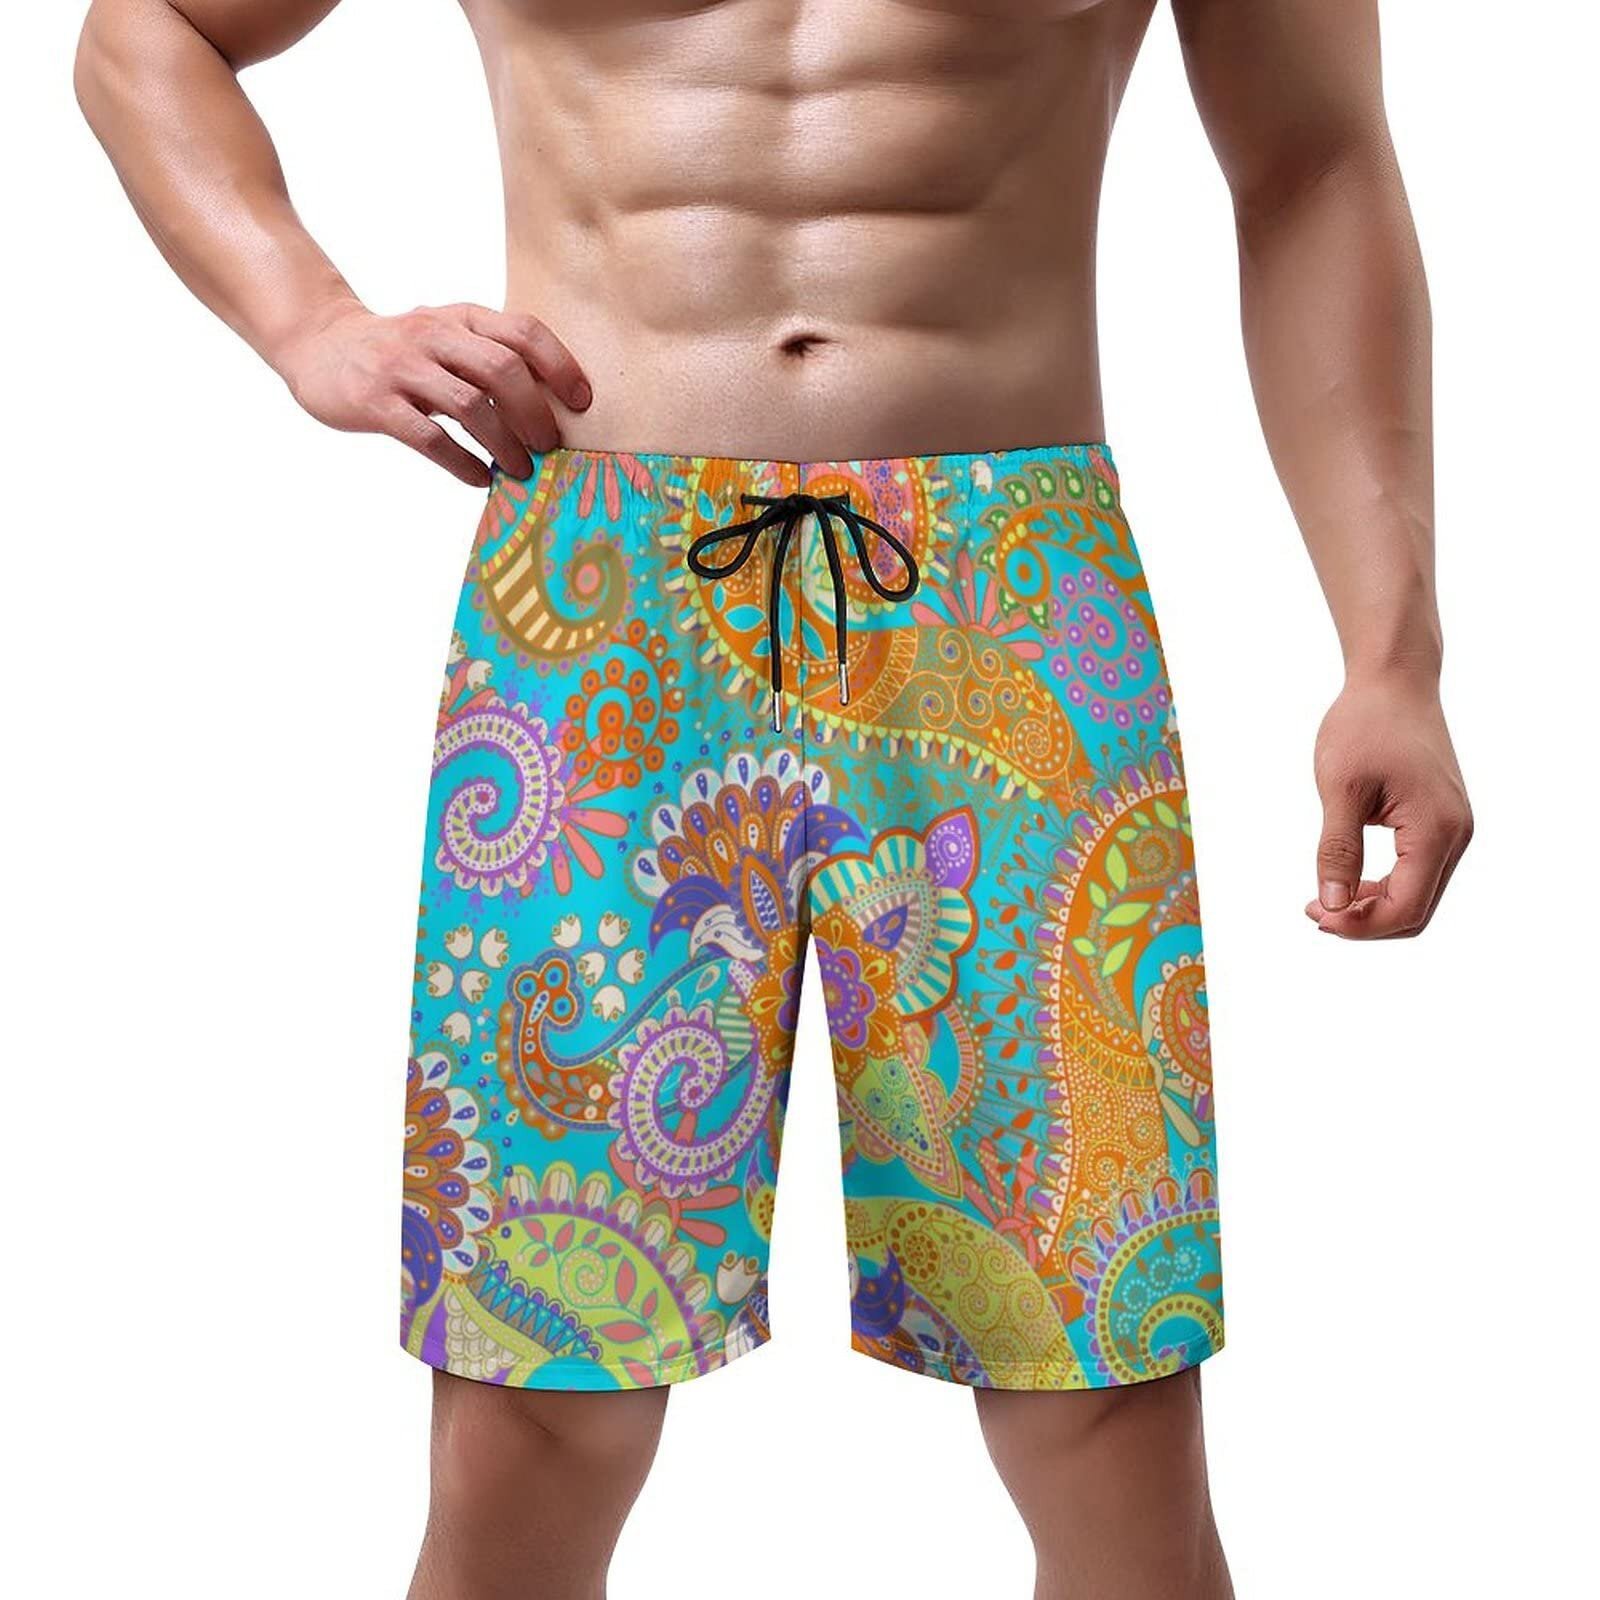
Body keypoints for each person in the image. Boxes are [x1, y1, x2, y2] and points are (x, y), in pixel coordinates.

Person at [75, 1, 1472, 1595]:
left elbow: (1314, 167)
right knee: (533, 1408)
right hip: (601, 613)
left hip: (1009, 601)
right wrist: (307, 319)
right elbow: (147, 34)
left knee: (1102, 1389)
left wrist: (1393, 654)